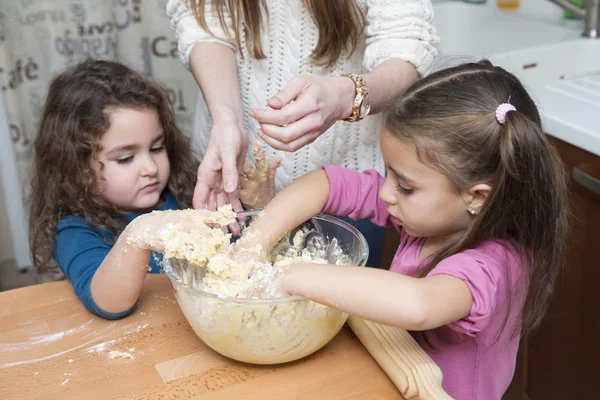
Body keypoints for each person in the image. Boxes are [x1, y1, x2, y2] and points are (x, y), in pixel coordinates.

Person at [237, 61, 569, 399]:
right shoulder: (432, 212)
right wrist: (252, 244)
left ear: (477, 198)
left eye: (405, 185)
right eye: (388, 173)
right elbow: (328, 183)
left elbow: (419, 303)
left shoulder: (491, 265)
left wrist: (290, 275)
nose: (385, 192)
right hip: (397, 378)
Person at [166, 0, 440, 267]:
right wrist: (228, 120)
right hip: (231, 177)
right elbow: (204, 21)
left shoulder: (359, 191)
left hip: (349, 184)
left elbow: (406, 42)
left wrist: (347, 96)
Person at [28, 59, 227, 319]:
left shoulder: (186, 193)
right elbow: (109, 302)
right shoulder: (74, 230)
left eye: (156, 148)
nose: (150, 168)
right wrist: (138, 236)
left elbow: (245, 249)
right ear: (77, 168)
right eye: (125, 158)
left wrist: (257, 197)